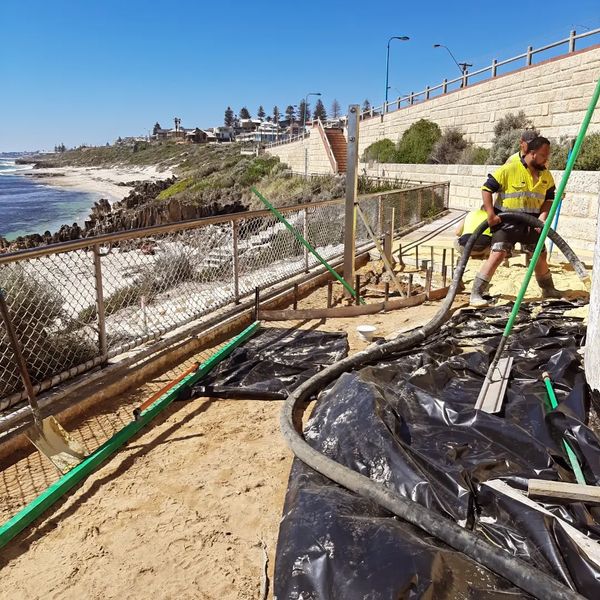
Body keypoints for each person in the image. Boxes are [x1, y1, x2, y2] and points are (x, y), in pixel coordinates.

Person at [470, 136, 563, 307]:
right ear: (533, 154)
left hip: (533, 223)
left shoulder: (546, 175)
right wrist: (491, 215)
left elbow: (549, 199)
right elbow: (486, 189)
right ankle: (477, 292)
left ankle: (548, 289)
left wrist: (542, 218)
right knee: (498, 254)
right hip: (507, 222)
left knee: (540, 257)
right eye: (544, 155)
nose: (546, 159)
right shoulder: (509, 169)